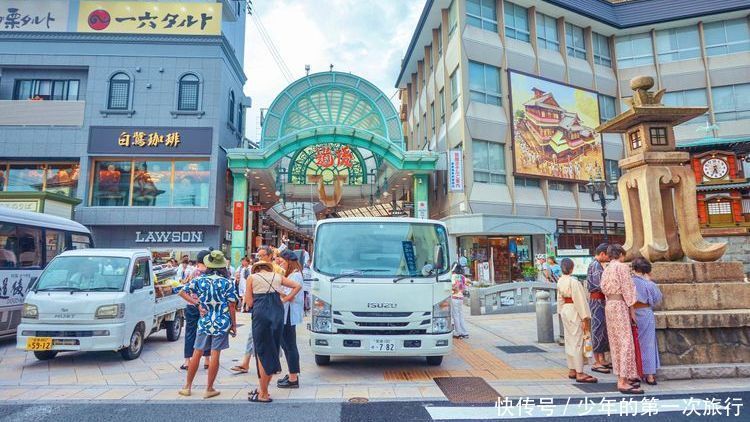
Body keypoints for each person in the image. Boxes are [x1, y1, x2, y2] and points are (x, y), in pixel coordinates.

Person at [178, 250, 238, 399]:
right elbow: (232, 305)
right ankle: (209, 388)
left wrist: (197, 303)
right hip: (221, 321)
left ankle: (187, 387)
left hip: (204, 321)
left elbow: (182, 292)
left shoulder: (200, 280)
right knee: (215, 354)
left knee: (196, 353)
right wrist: (234, 324)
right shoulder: (227, 283)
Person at [245, 261, 301, 403]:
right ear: (268, 268)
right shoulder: (277, 276)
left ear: (256, 269)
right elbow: (297, 286)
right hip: (277, 312)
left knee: (261, 352)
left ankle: (263, 393)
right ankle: (263, 389)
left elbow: (249, 302)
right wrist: (286, 299)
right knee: (273, 349)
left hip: (261, 312)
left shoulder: (252, 278)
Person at [601, 244, 643, 395]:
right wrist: (632, 308)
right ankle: (623, 380)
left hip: (609, 304)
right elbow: (628, 288)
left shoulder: (606, 269)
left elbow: (603, 288)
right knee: (626, 341)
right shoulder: (622, 267)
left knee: (616, 342)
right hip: (619, 304)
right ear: (620, 254)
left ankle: (622, 375)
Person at [557, 258, 597, 383]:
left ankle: (572, 369)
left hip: (565, 309)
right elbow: (580, 301)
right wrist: (585, 317)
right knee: (578, 341)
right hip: (574, 310)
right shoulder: (574, 282)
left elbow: (559, 299)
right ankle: (579, 372)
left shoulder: (560, 280)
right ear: (572, 268)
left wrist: (560, 311)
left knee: (570, 340)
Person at [631, 257, 663, 386]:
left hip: (631, 312)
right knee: (648, 343)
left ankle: (635, 372)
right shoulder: (649, 283)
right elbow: (657, 299)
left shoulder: (629, 281)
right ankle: (649, 375)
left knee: (633, 343)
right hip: (645, 312)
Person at [277, 249, 305, 388]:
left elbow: (290, 295)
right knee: (287, 345)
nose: (281, 264)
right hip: (287, 313)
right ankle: (292, 373)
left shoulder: (295, 276)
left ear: (289, 261)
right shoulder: (294, 274)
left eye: (282, 261)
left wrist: (276, 288)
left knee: (289, 346)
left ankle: (293, 377)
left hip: (288, 314)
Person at [179, 250, 211, 371]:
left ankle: (187, 361)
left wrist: (195, 302)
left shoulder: (193, 272)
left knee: (190, 332)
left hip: (192, 305)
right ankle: (207, 359)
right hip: (206, 306)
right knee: (207, 332)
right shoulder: (210, 273)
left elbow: (184, 290)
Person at [586, 243, 612, 374]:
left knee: (601, 328)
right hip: (597, 300)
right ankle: (597, 361)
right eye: (607, 255)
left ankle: (601, 358)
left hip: (599, 299)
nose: (608, 258)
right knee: (597, 328)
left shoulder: (595, 264)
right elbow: (600, 284)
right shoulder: (595, 265)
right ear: (602, 254)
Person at [450, 262, 469, 339]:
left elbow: (452, 287)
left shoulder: (452, 277)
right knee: (461, 315)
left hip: (454, 298)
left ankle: (458, 333)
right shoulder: (462, 277)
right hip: (461, 298)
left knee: (455, 316)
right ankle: (464, 332)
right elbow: (465, 287)